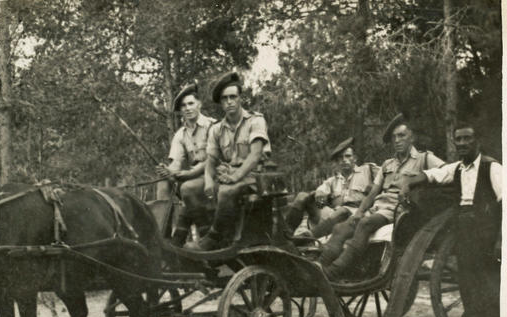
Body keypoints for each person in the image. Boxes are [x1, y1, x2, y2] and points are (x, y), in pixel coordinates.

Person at [400, 125, 501, 317]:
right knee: (468, 287)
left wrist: (500, 241)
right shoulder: (456, 168)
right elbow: (432, 175)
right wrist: (408, 184)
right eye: (459, 139)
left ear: (477, 140)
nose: (463, 143)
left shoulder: (492, 167)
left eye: (467, 138)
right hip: (464, 233)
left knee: (488, 287)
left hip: (486, 234)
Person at [319, 113, 444, 279]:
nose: (397, 140)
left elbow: (446, 171)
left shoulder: (424, 158)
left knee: (365, 224)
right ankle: (319, 266)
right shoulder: (387, 165)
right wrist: (359, 211)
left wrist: (420, 184)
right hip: (377, 208)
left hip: (401, 210)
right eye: (394, 137)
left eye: (401, 136)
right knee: (340, 228)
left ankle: (335, 270)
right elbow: (372, 194)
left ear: (411, 138)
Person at [184, 71, 271, 251]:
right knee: (188, 189)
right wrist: (208, 179)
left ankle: (215, 238)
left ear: (240, 99)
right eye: (225, 98)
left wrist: (235, 176)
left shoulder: (255, 120)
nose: (229, 101)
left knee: (225, 191)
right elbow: (211, 158)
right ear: (221, 103)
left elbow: (255, 155)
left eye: (233, 97)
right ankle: (207, 232)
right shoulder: (217, 129)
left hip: (255, 176)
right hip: (230, 175)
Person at [155, 84, 215, 246]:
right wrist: (167, 171)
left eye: (191, 103)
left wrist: (190, 173)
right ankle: (163, 237)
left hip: (215, 176)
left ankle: (207, 236)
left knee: (188, 188)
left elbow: (213, 159)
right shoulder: (180, 135)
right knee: (163, 183)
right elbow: (175, 164)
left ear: (199, 104)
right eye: (183, 106)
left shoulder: (213, 126)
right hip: (195, 179)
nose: (187, 108)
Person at [286, 137, 377, 238]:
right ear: (337, 162)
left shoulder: (368, 171)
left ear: (355, 158)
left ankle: (309, 237)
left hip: (356, 215)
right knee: (302, 196)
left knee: (342, 210)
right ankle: (286, 236)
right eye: (340, 158)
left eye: (348, 156)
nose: (344, 160)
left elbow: (387, 176)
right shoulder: (333, 181)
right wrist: (321, 198)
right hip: (333, 217)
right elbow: (320, 196)